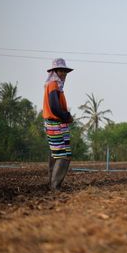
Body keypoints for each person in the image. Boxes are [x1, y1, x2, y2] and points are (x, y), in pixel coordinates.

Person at [42, 58, 74, 190]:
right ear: (54, 71)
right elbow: (54, 107)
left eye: (65, 71)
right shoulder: (54, 84)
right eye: (61, 71)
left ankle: (52, 184)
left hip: (56, 123)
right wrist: (67, 116)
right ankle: (55, 186)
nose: (64, 73)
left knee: (55, 154)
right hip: (56, 123)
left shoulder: (54, 85)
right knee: (63, 155)